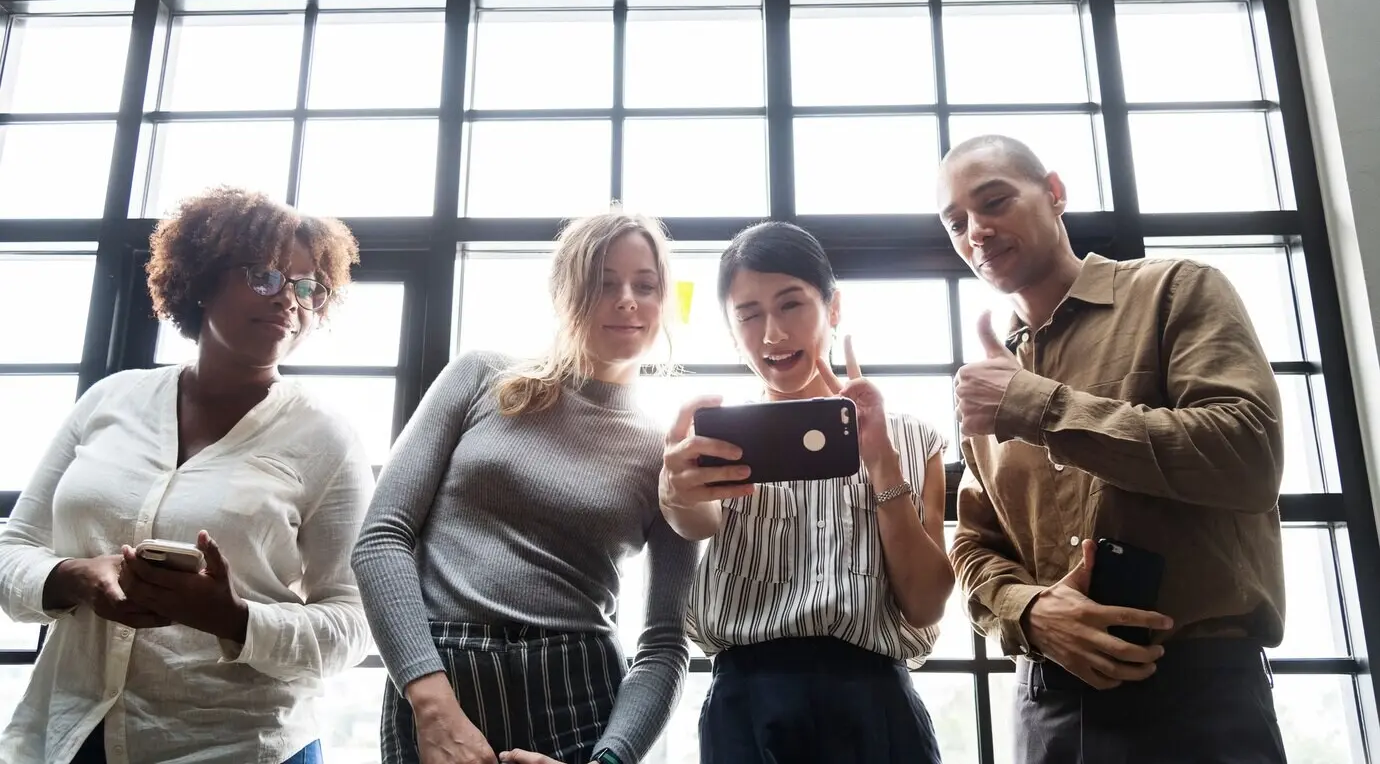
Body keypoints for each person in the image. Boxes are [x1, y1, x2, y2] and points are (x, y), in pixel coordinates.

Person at [940, 134, 1288, 763]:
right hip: (1050, 701)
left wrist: (1036, 406)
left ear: (1054, 193)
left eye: (994, 202)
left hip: (1200, 693)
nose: (977, 231)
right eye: (957, 221)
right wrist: (1031, 611)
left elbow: (1248, 454)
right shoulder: (989, 383)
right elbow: (973, 543)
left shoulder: (1177, 290)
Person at [0, 186, 375, 764]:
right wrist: (74, 576)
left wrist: (234, 619)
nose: (289, 301)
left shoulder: (325, 437)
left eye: (308, 288)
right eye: (265, 276)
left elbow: (354, 622)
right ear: (200, 278)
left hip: (239, 746)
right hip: (70, 734)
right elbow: (12, 550)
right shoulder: (110, 401)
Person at [352, 212, 696, 764]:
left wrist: (609, 760)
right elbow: (380, 539)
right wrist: (433, 703)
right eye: (602, 282)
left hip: (579, 695)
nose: (627, 298)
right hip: (441, 678)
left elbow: (664, 642)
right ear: (565, 292)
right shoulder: (481, 377)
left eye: (645, 284)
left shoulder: (668, 451)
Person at [659, 221, 953, 764]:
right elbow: (695, 522)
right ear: (730, 328)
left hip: (875, 699)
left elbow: (925, 603)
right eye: (748, 314)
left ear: (833, 308)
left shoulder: (913, 437)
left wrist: (882, 464)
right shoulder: (717, 442)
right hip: (746, 699)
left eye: (791, 304)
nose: (772, 333)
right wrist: (676, 492)